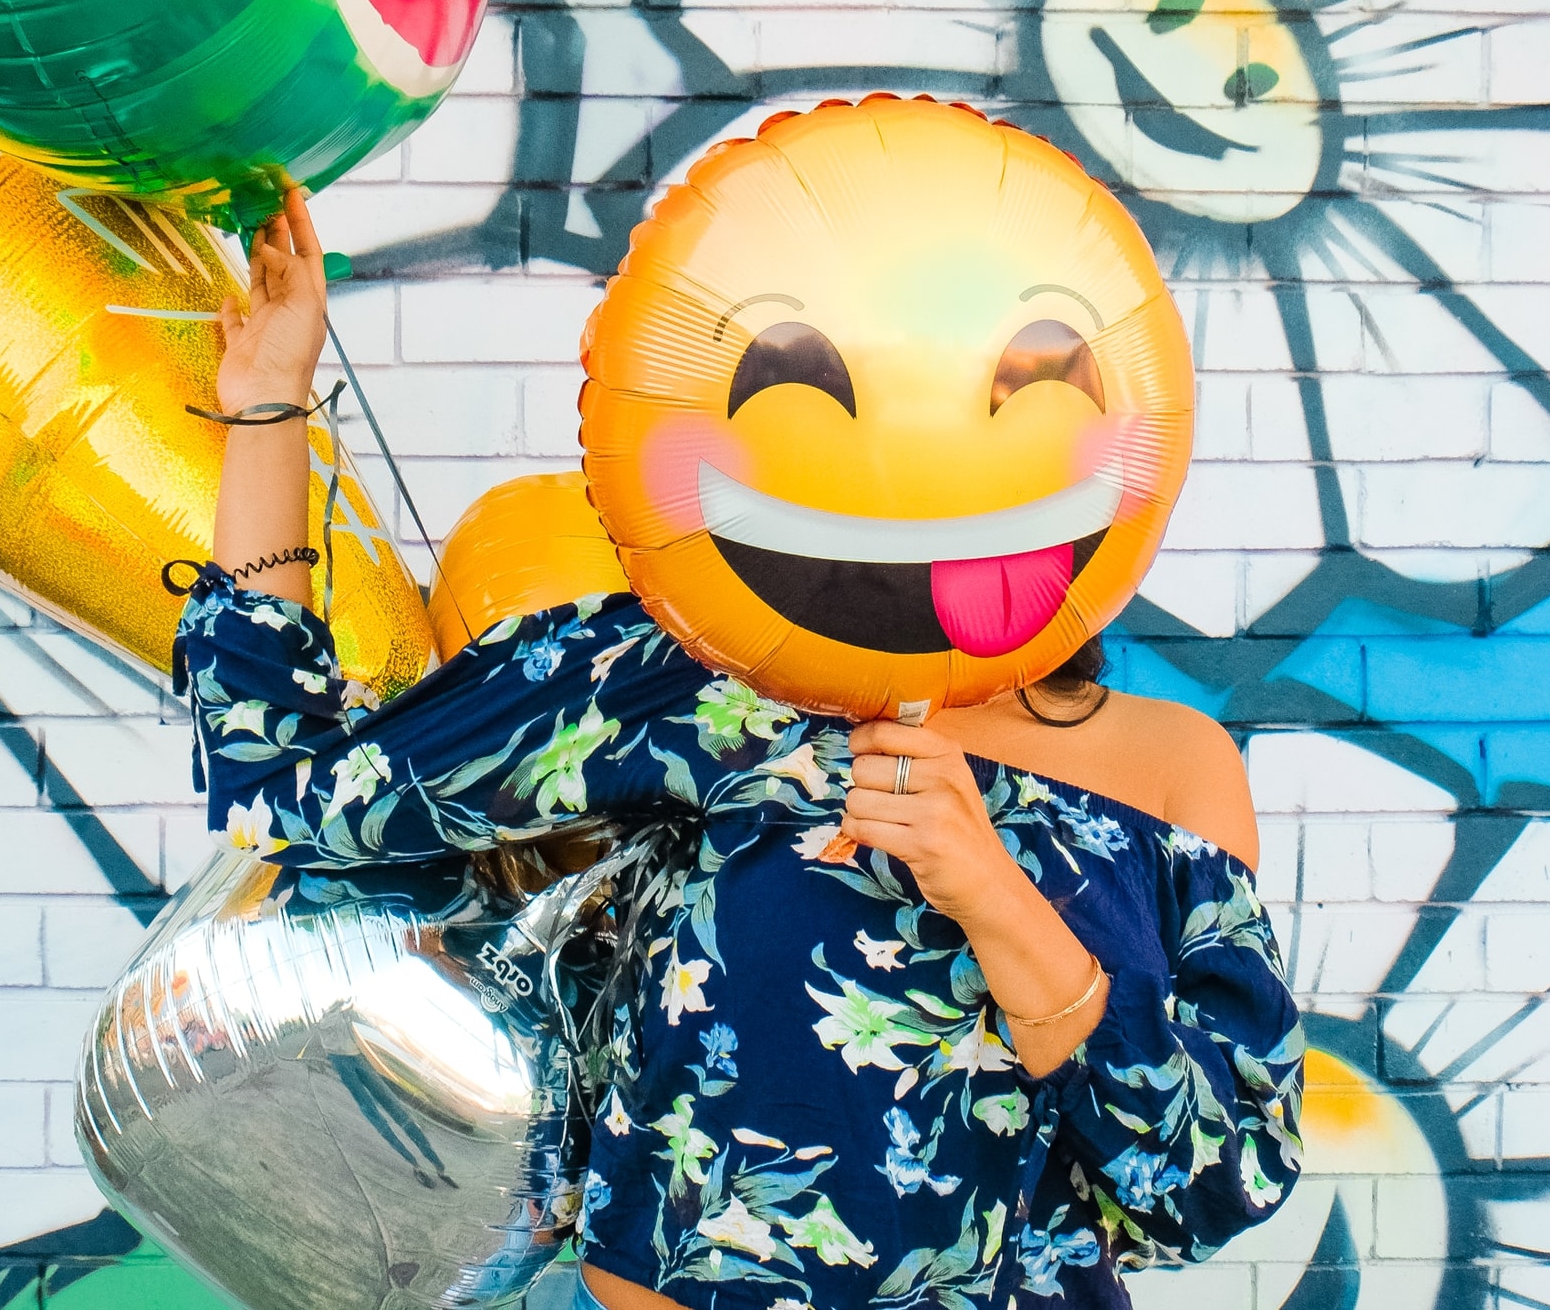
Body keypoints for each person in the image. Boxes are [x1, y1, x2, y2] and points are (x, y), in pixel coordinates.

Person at [178, 192, 1304, 1310]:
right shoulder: (696, 674)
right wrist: (272, 403)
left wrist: (998, 898)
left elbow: (1213, 1190)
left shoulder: (1168, 769)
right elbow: (292, 793)